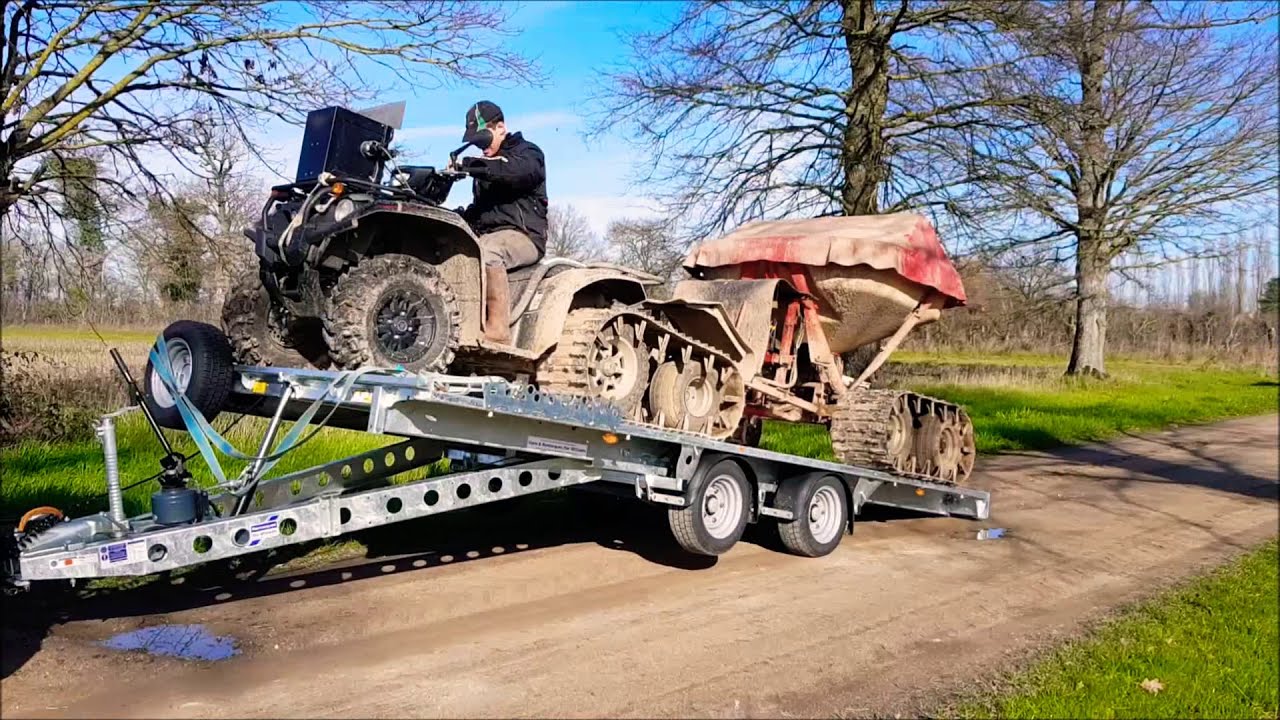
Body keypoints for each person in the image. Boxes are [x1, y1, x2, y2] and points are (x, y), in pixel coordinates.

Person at [455, 101, 548, 344]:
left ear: (501, 128)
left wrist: (470, 166)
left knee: (488, 251)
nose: (481, 148)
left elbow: (515, 171)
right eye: (476, 144)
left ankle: (498, 332)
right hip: (490, 233)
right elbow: (481, 210)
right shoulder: (485, 170)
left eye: (483, 141)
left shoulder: (528, 154)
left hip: (524, 236)